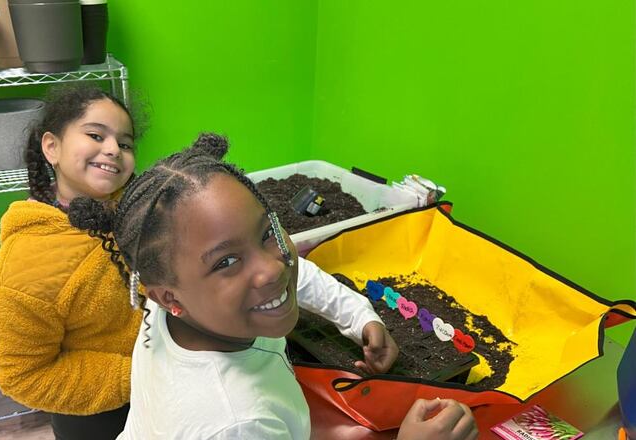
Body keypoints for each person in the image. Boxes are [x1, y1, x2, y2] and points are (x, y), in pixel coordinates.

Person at [78, 132, 478, 439]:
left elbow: (298, 274)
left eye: (267, 231)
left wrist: (360, 317)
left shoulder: (180, 302)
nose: (272, 268)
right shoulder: (235, 421)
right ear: (169, 297)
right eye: (227, 262)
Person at [0, 84, 141, 440]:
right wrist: (140, 375)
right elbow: (23, 376)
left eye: (126, 143)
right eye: (95, 135)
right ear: (51, 147)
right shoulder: (22, 268)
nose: (114, 149)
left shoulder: (138, 212)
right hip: (102, 417)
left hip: (169, 386)